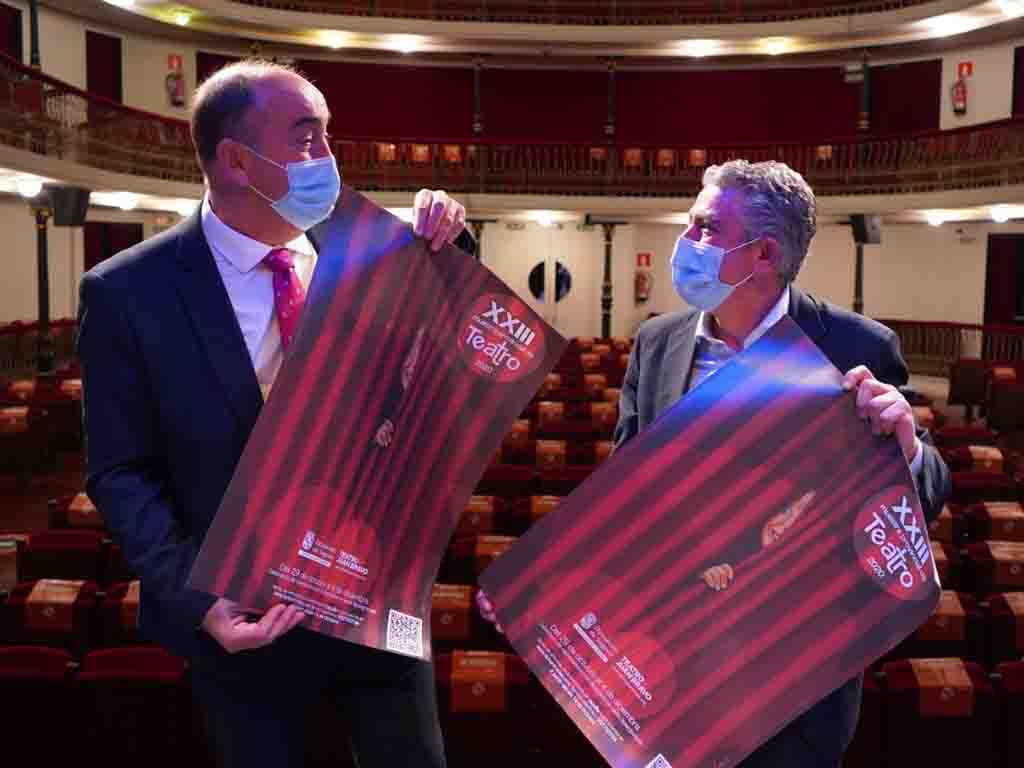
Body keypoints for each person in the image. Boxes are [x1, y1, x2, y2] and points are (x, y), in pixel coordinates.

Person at [480, 160, 950, 767]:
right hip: (670, 669)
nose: (686, 240)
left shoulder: (856, 346)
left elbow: (925, 496)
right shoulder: (659, 342)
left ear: (763, 255)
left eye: (704, 228)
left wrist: (908, 446)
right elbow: (626, 495)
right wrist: (534, 588)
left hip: (789, 691)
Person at [78, 59, 473, 768]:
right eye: (306, 138)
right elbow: (121, 471)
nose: (329, 158)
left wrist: (453, 244)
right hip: (242, 616)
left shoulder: (369, 252)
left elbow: (454, 349)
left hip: (374, 603)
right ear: (236, 160)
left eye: (327, 135)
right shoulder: (126, 291)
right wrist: (198, 599)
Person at [701, 490, 816, 592]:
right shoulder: (732, 544)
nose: (781, 527)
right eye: (786, 511)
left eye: (797, 522)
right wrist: (708, 575)